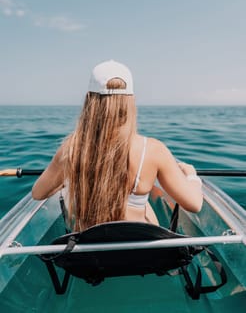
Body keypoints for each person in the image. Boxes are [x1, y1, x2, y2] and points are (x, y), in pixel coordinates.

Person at [32, 60, 203, 231]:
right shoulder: (153, 150)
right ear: (131, 101)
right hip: (138, 251)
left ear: (89, 100)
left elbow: (38, 193)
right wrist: (192, 176)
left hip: (90, 252)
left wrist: (67, 177)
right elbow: (194, 204)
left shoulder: (72, 149)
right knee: (145, 205)